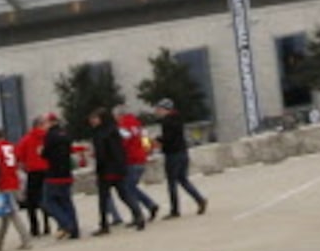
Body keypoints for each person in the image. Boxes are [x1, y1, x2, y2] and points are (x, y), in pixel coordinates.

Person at [88, 106, 140, 234]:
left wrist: (99, 166)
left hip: (106, 169)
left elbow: (101, 153)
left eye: (95, 118)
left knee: (104, 198)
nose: (92, 121)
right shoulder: (114, 130)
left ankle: (104, 224)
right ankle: (138, 215)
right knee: (124, 194)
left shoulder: (100, 133)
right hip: (117, 168)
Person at [152, 101, 208, 217]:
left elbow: (169, 138)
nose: (157, 112)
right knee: (183, 179)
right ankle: (199, 199)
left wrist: (158, 140)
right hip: (183, 152)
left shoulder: (167, 122)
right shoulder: (178, 119)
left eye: (159, 109)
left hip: (173, 154)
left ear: (165, 110)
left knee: (172, 183)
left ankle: (175, 210)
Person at [0, 127, 31, 251]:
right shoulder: (11, 147)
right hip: (14, 181)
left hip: (4, 183)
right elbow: (18, 162)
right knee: (5, 214)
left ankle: (26, 240)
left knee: (12, 213)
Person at [38, 113, 82, 240]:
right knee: (66, 201)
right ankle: (75, 229)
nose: (44, 125)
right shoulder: (65, 134)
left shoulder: (50, 136)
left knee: (47, 202)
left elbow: (45, 154)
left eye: (45, 122)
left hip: (53, 174)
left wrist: (41, 151)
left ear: (50, 123)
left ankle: (66, 224)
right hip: (66, 172)